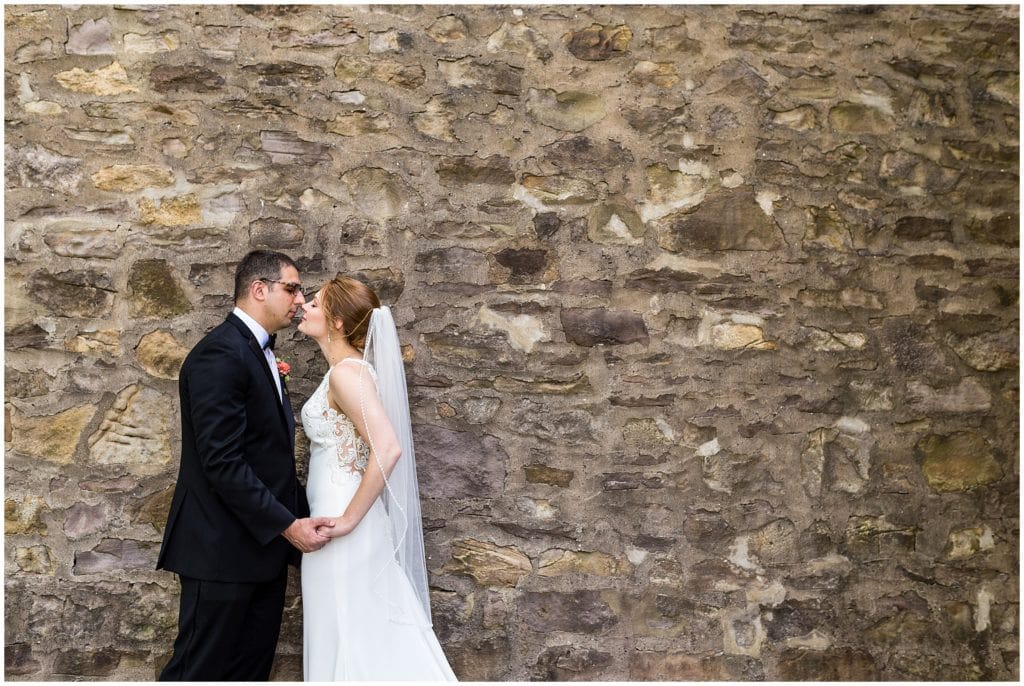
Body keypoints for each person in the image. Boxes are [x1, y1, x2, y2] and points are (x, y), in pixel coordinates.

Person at [157, 250, 336, 681]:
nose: (300, 300)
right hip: (220, 553)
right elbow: (222, 462)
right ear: (259, 289)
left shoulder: (258, 351)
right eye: (292, 289)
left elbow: (268, 457)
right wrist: (288, 525)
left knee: (249, 673)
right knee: (198, 672)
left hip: (261, 553)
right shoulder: (220, 354)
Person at [296, 276, 456, 681]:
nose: (303, 307)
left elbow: (387, 448)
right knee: (348, 629)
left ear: (336, 322)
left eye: (314, 304)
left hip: (342, 520)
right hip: (335, 515)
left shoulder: (346, 375)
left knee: (350, 630)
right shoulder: (346, 371)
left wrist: (348, 520)